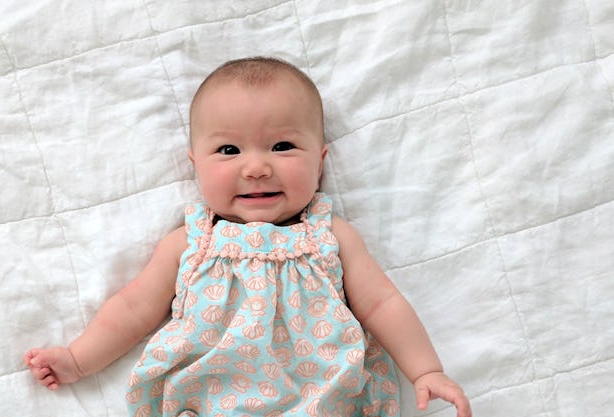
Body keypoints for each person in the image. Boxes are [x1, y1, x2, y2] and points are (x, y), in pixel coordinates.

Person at [25, 57, 471, 417]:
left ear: (320, 161)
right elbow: (133, 307)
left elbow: (381, 304)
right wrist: (79, 358)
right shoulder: (191, 242)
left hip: (322, 399)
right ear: (194, 164)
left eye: (281, 147)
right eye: (228, 150)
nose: (256, 167)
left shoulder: (330, 237)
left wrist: (425, 369)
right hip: (212, 399)